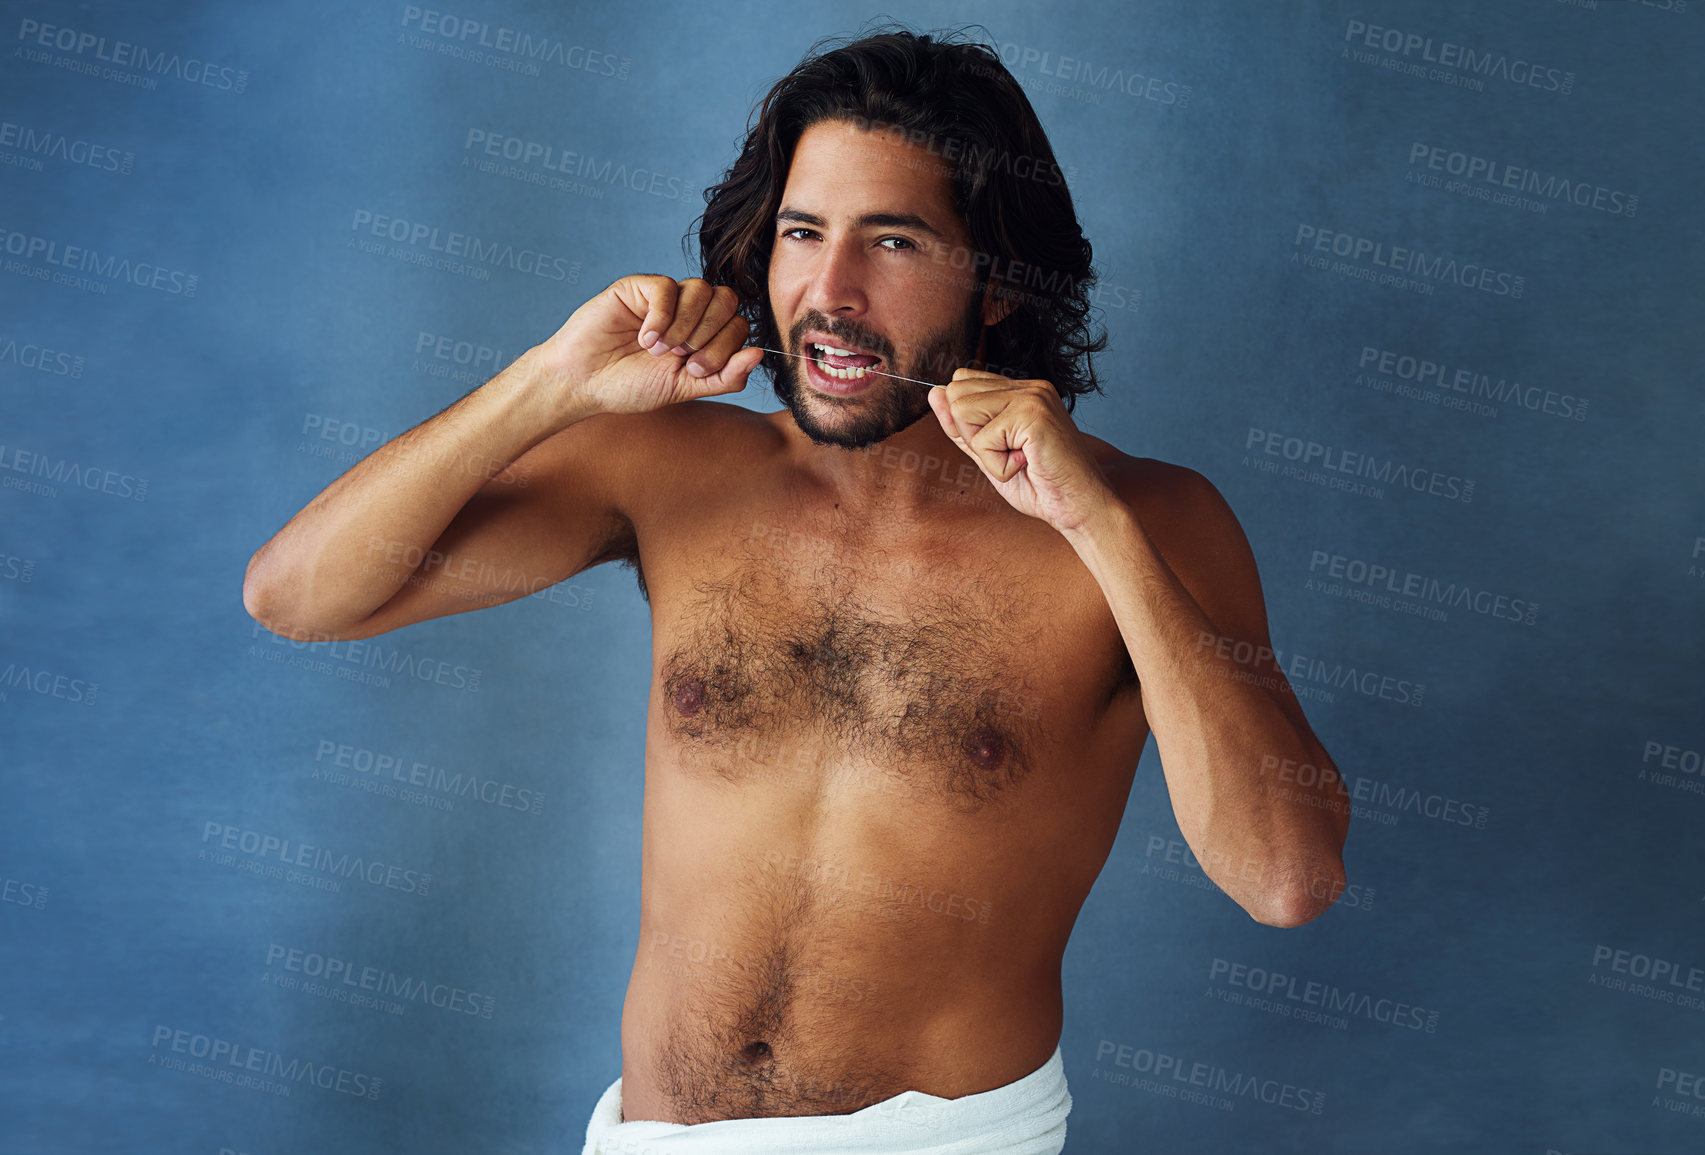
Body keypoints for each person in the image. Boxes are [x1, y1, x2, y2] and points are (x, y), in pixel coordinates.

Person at [243, 26, 1350, 1154]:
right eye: (802, 234)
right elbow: (295, 597)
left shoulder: (1149, 519)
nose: (832, 291)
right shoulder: (677, 470)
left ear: (1002, 284)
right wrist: (548, 384)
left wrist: (1095, 526)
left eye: (896, 242)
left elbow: (1285, 877)